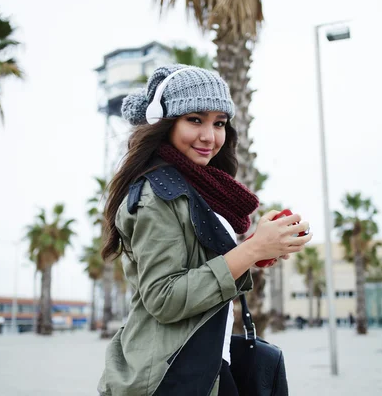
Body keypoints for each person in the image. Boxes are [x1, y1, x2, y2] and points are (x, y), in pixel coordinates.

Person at [97, 64, 313, 396]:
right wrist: (250, 251)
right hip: (170, 375)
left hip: (206, 363)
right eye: (194, 119)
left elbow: (198, 264)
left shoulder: (195, 186)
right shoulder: (158, 194)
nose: (209, 136)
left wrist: (262, 246)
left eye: (219, 123)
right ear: (166, 123)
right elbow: (164, 297)